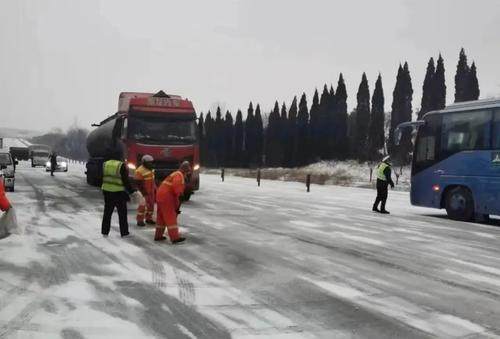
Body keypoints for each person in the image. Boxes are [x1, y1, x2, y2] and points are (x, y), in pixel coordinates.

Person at [101, 149, 136, 237]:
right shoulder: (121, 165)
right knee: (122, 213)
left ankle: (105, 231)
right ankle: (124, 233)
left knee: (107, 213)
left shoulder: (105, 164)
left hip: (107, 191)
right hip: (118, 192)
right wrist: (132, 191)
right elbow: (125, 181)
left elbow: (101, 177)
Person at [154, 161, 191, 243]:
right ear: (185, 170)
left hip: (161, 195)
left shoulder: (175, 173)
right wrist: (180, 194)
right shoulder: (179, 175)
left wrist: (177, 205)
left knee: (161, 217)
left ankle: (158, 235)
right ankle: (175, 238)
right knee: (170, 216)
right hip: (167, 197)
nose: (188, 174)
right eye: (188, 172)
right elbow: (176, 186)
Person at [134, 154, 156, 227]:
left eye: (152, 162)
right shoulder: (139, 170)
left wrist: (155, 189)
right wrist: (143, 192)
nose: (151, 164)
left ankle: (148, 218)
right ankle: (139, 220)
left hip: (151, 191)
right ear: (144, 162)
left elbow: (152, 180)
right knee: (142, 206)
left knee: (151, 206)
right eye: (149, 162)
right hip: (143, 192)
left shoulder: (151, 169)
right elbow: (138, 183)